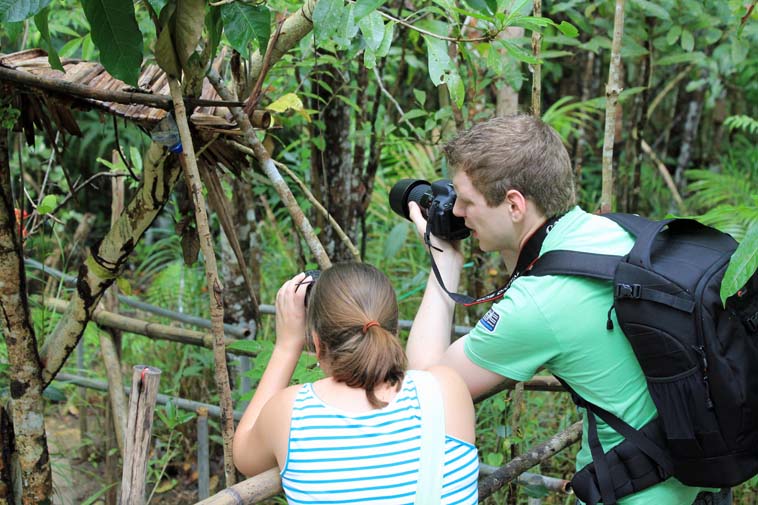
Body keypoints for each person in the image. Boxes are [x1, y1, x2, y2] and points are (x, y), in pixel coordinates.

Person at [405, 114, 728, 505]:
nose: (456, 212)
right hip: (708, 477)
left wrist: (444, 263)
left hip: (636, 492)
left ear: (514, 204)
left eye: (466, 201)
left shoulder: (539, 304)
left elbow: (423, 387)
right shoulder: (623, 231)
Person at [233, 262, 479, 504]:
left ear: (317, 345)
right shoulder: (446, 388)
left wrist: (287, 346)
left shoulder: (291, 411)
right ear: (392, 333)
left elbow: (244, 456)